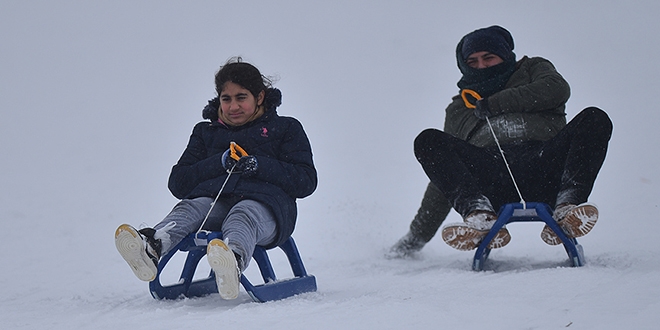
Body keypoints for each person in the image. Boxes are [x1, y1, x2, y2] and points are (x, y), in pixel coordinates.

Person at [388, 25, 612, 256]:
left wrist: (494, 104)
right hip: (492, 178)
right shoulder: (459, 107)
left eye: (489, 57)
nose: (481, 65)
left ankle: (567, 208)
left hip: (547, 167)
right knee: (429, 140)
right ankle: (479, 215)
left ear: (505, 56)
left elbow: (555, 89)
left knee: (594, 118)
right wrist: (415, 238)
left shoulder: (533, 69)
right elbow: (444, 174)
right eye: (473, 61)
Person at [114, 58, 318, 299]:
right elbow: (178, 183)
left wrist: (258, 165)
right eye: (226, 98)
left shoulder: (285, 128)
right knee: (191, 206)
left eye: (241, 97)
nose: (233, 106)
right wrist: (218, 162)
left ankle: (231, 260)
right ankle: (152, 246)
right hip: (216, 207)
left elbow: (306, 181)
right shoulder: (206, 133)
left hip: (268, 213)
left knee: (244, 212)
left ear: (260, 97)